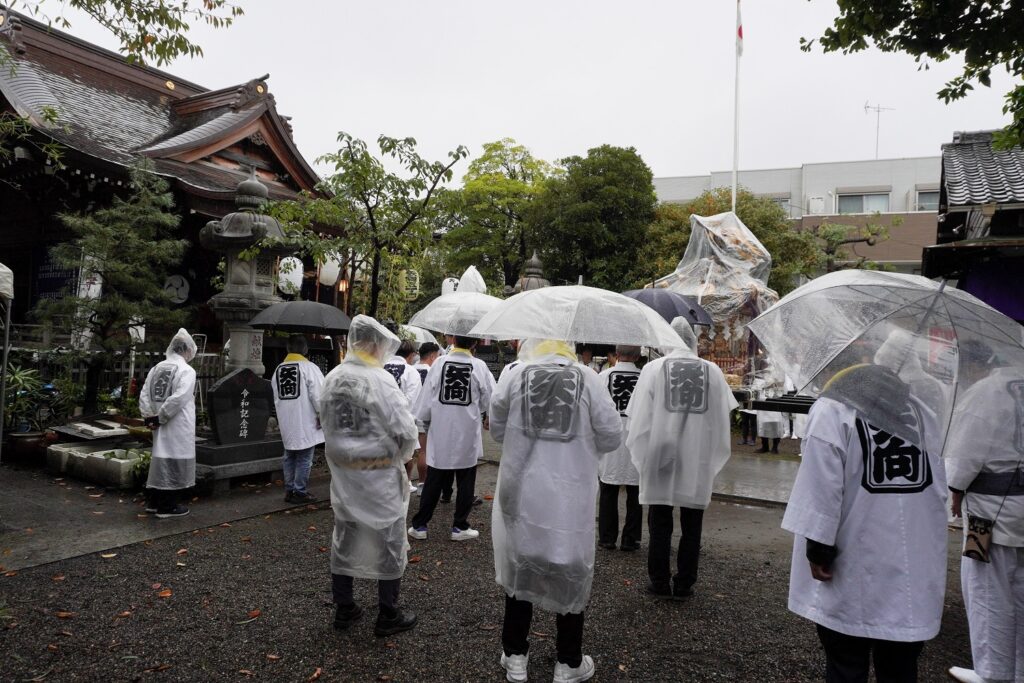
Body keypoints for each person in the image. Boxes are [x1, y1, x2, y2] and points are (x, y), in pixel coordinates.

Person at [781, 354, 947, 683]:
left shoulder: (832, 410)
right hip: (912, 564)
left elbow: (821, 487)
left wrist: (818, 548)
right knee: (900, 663)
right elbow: (940, 485)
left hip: (852, 561)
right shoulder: (924, 413)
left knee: (846, 659)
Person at [490, 338, 622, 683]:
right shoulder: (590, 378)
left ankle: (516, 656)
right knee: (570, 570)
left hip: (523, 494)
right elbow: (611, 436)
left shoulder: (515, 375)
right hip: (569, 498)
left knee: (522, 568)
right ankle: (568, 662)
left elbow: (499, 429)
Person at [321, 315, 419, 636]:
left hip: (345, 476)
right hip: (379, 477)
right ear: (376, 345)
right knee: (389, 539)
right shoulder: (380, 381)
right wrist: (405, 458)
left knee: (345, 535)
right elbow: (405, 430)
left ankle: (344, 607)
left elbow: (325, 421)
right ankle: (388, 613)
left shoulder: (333, 377)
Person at [626, 318, 738, 598]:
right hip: (696, 454)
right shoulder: (712, 371)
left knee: (660, 519)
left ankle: (660, 581)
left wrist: (646, 449)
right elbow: (723, 414)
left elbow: (637, 418)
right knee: (692, 522)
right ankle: (685, 582)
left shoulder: (653, 369)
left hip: (660, 453)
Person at [945, 343, 1023, 683]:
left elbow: (964, 458)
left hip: (989, 515)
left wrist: (955, 490)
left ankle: (992, 673)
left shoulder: (986, 392)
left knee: (987, 592)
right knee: (1021, 594)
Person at [409, 335, 495, 541]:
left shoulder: (439, 363)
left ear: (453, 340)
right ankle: (459, 526)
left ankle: (420, 525)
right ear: (475, 343)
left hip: (441, 430)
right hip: (467, 431)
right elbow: (489, 398)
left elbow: (427, 399)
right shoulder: (479, 366)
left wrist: (427, 420)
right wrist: (479, 410)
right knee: (466, 479)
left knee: (434, 479)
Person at [139, 329, 198, 518]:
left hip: (158, 423)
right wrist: (162, 416)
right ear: (187, 350)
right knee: (175, 460)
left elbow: (144, 394)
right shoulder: (186, 371)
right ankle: (168, 506)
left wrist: (149, 416)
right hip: (177, 423)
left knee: (159, 459)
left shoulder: (156, 368)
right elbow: (180, 398)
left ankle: (154, 501)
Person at [596, 345, 643, 551]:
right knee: (636, 492)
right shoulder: (645, 377)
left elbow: (596, 408)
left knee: (608, 489)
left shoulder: (604, 376)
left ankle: (607, 537)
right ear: (638, 356)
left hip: (610, 438)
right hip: (637, 438)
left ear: (616, 355)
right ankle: (630, 539)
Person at [271, 334, 325, 504]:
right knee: (304, 456)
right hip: (305, 419)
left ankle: (289, 490)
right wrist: (322, 416)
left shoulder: (279, 369)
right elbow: (319, 396)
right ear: (305, 350)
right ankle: (300, 491)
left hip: (287, 419)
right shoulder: (309, 368)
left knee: (289, 455)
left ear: (288, 349)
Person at [384, 339, 423, 493]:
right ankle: (403, 484)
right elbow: (412, 400)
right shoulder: (411, 371)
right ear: (412, 354)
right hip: (403, 421)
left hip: (380, 421)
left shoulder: (381, 367)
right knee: (405, 456)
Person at [412, 341, 441, 492]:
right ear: (431, 355)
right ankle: (423, 483)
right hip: (424, 415)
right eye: (437, 355)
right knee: (424, 451)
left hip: (410, 414)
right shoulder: (432, 371)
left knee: (411, 452)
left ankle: (407, 482)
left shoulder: (411, 368)